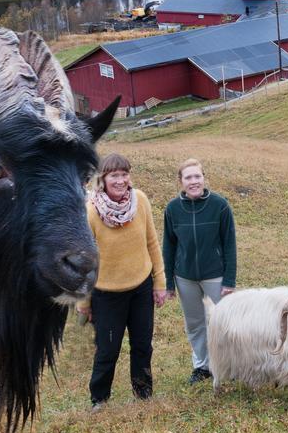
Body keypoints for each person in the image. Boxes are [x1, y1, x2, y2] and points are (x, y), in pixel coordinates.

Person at [77, 154, 167, 411]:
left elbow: (152, 242)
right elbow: (85, 261)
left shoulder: (140, 201)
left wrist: (159, 283)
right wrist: (84, 301)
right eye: (114, 175)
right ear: (103, 179)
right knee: (107, 350)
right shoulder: (91, 212)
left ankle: (143, 392)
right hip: (107, 294)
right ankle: (99, 399)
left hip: (141, 287)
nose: (120, 180)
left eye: (124, 174)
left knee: (142, 345)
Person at [163, 158, 237, 384]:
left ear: (204, 178)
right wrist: (168, 282)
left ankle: (228, 366)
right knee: (195, 324)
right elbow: (169, 246)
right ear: (181, 181)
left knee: (224, 323)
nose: (193, 181)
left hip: (215, 274)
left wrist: (229, 280)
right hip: (185, 277)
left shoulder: (220, 205)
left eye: (197, 176)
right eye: (188, 177)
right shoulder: (173, 209)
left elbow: (229, 244)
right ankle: (202, 366)